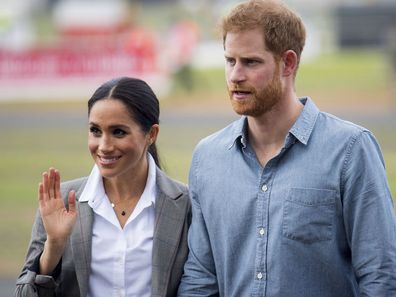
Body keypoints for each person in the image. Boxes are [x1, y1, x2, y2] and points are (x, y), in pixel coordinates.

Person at [177, 1, 396, 296]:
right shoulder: (207, 157)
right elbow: (200, 279)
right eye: (230, 60)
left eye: (250, 62)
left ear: (288, 63)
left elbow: (381, 275)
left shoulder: (350, 150)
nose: (235, 76)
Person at [15, 77, 191, 297]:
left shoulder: (186, 205)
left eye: (118, 132)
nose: (104, 146)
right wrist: (54, 246)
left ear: (151, 134)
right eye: (95, 131)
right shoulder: (60, 202)